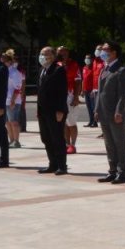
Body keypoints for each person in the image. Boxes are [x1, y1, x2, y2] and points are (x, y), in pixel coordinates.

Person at [96, 42, 125, 183]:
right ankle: (112, 171)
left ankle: (122, 173)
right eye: (102, 50)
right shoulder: (104, 69)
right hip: (104, 112)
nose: (102, 52)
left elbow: (124, 94)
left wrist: (119, 112)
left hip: (115, 114)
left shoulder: (121, 70)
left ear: (114, 52)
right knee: (109, 144)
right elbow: (100, 92)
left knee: (119, 144)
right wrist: (97, 109)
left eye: (106, 50)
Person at [35, 46, 69, 175]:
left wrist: (60, 110)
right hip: (43, 111)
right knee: (46, 138)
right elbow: (40, 92)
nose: (42, 56)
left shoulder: (58, 70)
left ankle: (62, 165)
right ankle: (52, 164)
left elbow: (62, 91)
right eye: (41, 53)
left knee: (57, 138)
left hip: (55, 111)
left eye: (45, 54)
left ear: (53, 56)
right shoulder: (42, 70)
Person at [57, 46, 81, 155]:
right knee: (63, 122)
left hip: (70, 95)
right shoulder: (55, 65)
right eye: (60, 53)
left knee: (71, 122)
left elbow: (78, 82)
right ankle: (66, 144)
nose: (62, 54)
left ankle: (73, 145)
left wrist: (76, 97)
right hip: (58, 96)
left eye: (64, 52)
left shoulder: (74, 65)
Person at [3, 50, 24, 148]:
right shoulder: (4, 71)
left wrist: (13, 100)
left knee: (14, 121)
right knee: (7, 122)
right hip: (5, 100)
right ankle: (11, 140)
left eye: (5, 60)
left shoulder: (15, 72)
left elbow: (17, 88)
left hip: (13, 100)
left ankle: (16, 141)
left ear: (10, 61)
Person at [82, 52, 100, 128]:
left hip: (91, 90)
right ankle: (90, 121)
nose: (87, 60)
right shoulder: (84, 68)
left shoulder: (93, 68)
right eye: (86, 58)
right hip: (86, 90)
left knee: (93, 107)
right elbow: (83, 79)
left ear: (92, 60)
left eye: (88, 58)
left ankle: (95, 122)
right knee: (88, 107)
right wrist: (82, 90)